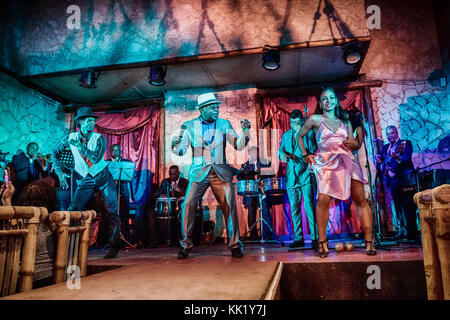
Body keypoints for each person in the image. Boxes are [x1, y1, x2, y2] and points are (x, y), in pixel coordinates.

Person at [296, 87, 376, 258]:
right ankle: (323, 243)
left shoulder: (345, 121)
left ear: (335, 101)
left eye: (332, 98)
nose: (329, 101)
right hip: (326, 163)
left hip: (347, 160)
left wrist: (356, 143)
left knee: (361, 198)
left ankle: (369, 241)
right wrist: (304, 154)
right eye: (324, 98)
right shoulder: (315, 119)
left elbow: (353, 143)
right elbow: (299, 136)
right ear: (320, 102)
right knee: (322, 200)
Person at [172, 92, 251, 259]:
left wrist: (245, 133)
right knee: (188, 205)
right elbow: (181, 150)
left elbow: (238, 145)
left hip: (220, 172)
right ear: (202, 109)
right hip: (199, 173)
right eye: (212, 107)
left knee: (229, 205)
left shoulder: (224, 124)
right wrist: (175, 146)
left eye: (217, 106)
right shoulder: (188, 125)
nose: (216, 109)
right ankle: (185, 245)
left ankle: (235, 245)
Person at [52, 106, 121, 259]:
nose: (92, 123)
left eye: (92, 121)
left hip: (103, 176)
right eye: (89, 121)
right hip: (85, 178)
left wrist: (80, 147)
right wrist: (60, 175)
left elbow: (96, 158)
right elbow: (54, 153)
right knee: (73, 209)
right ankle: (68, 244)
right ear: (81, 123)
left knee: (111, 211)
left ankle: (114, 246)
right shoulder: (69, 138)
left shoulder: (99, 138)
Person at [278, 109, 318, 249]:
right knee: (294, 208)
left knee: (309, 207)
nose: (296, 125)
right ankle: (298, 237)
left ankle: (315, 238)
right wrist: (280, 154)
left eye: (299, 123)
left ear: (302, 121)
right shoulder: (285, 135)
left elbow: (312, 149)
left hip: (305, 174)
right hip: (291, 177)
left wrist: (302, 134)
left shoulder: (308, 133)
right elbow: (281, 150)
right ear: (290, 122)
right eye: (293, 123)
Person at [375, 125, 419, 242]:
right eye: (388, 134)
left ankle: (412, 234)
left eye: (392, 133)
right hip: (393, 182)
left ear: (397, 133)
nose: (390, 136)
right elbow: (382, 163)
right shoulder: (385, 148)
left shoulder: (405, 143)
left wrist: (392, 165)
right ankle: (403, 232)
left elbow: (405, 158)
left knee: (409, 207)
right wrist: (379, 160)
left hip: (405, 179)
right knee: (398, 208)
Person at [237, 146, 275, 241]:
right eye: (252, 153)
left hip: (262, 192)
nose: (254, 155)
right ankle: (253, 236)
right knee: (251, 212)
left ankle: (268, 235)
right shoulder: (245, 165)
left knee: (265, 210)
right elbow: (239, 178)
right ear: (249, 154)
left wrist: (262, 172)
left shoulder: (265, 163)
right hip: (250, 192)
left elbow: (272, 174)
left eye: (256, 153)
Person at [106, 144, 134, 244]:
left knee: (124, 216)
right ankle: (112, 240)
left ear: (120, 151)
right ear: (110, 152)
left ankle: (125, 239)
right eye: (113, 150)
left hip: (123, 193)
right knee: (111, 217)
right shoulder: (107, 163)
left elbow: (131, 176)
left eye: (117, 150)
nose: (115, 152)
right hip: (111, 193)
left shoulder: (126, 163)